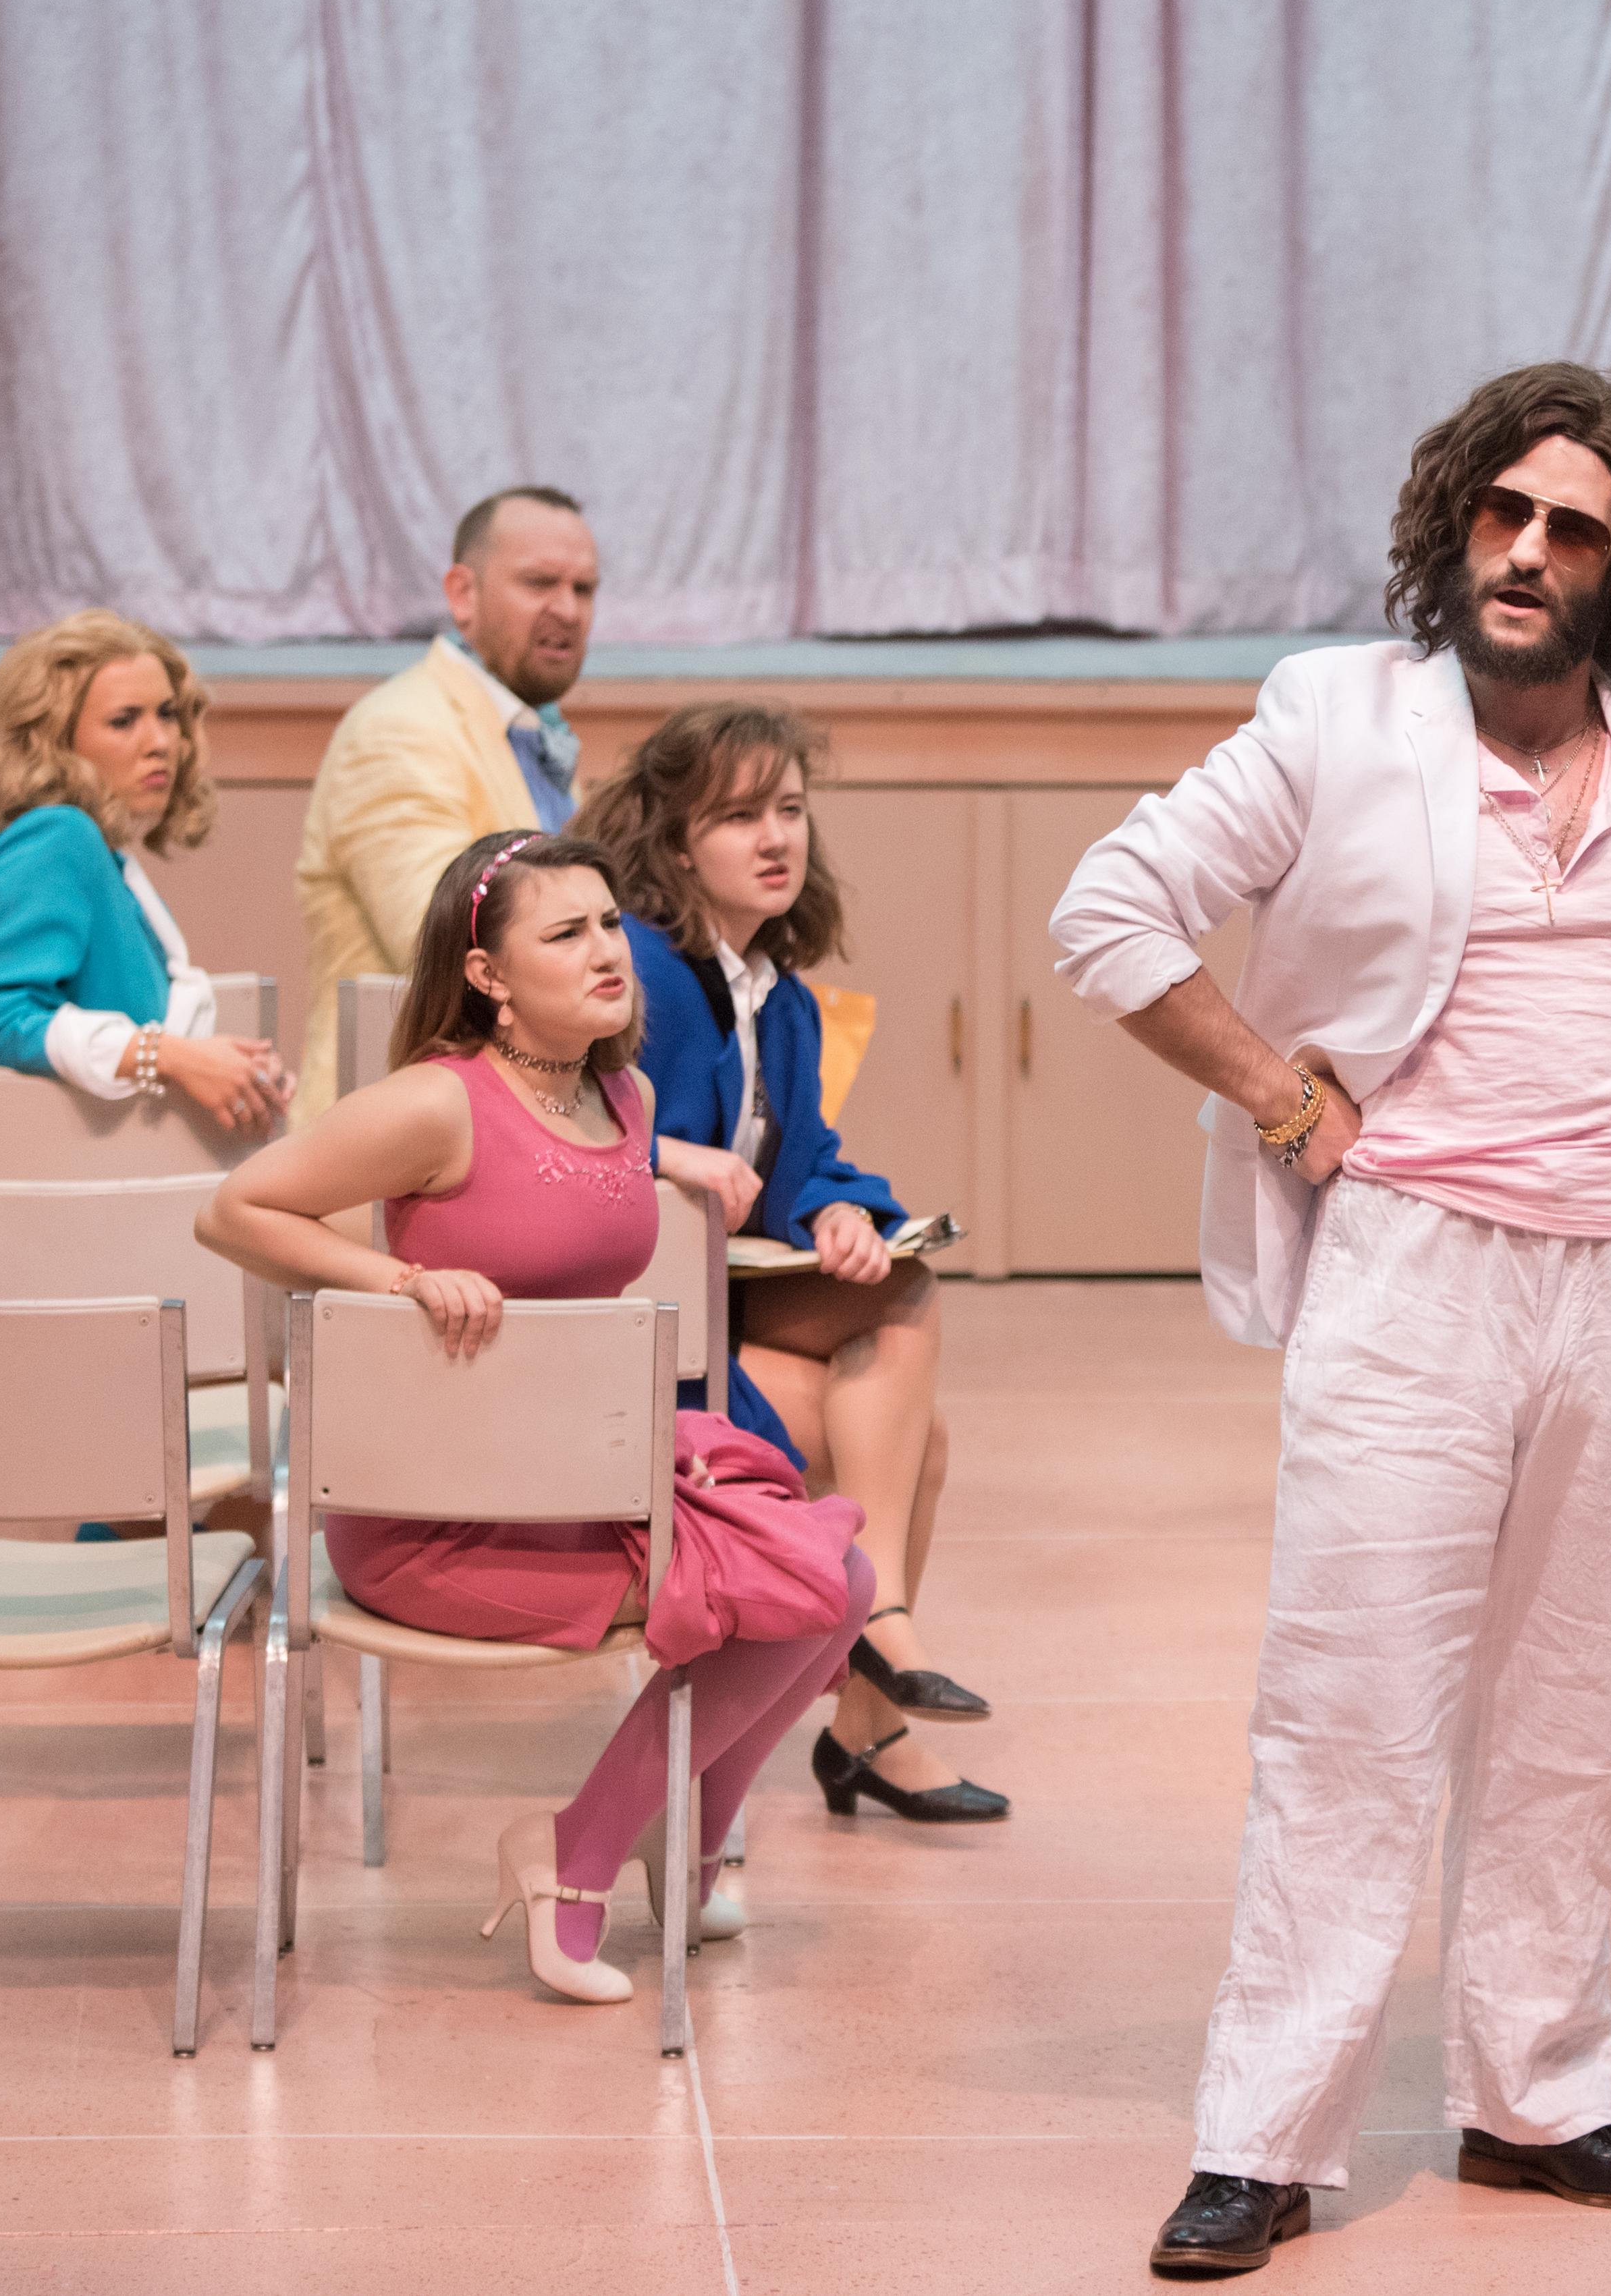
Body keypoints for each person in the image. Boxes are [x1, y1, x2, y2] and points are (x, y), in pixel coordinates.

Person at [1049, 362, 1611, 2275]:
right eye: (1503, 514)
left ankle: (1539, 2094)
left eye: (1572, 528)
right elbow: (1112, 913)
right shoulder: (1334, 715)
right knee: (1352, 1709)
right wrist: (1285, 1095)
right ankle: (1266, 2136)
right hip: (1413, 1265)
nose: (1525, 551)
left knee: (1578, 1713)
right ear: (1455, 525)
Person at [198, 830, 873, 2007]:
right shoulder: (432, 1104)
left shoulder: (627, 1091)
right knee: (775, 1597)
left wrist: (685, 1160)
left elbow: (574, 1170)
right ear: (489, 977)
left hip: (587, 1478)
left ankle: (684, 1837)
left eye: (611, 923)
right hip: (444, 1514)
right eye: (565, 933)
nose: (608, 950)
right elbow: (236, 1209)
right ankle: (573, 1856)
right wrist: (400, 1282)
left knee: (843, 1581)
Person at [578, 698, 1006, 1828]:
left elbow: (800, 1156)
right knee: (914, 1433)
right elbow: (569, 1117)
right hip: (637, 1334)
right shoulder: (651, 977)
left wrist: (840, 1214)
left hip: (729, 1298)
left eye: (790, 810)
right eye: (736, 817)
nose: (774, 839)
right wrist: (669, 1150)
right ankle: (879, 1677)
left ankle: (873, 1714)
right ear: (676, 845)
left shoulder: (785, 997)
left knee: (899, 1294)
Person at [0, 609, 290, 1181]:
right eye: (124, 721)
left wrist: (234, 1074)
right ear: (56, 741)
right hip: (21, 1217)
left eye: (168, 715)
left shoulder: (99, 856)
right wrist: (171, 1056)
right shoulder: (58, 837)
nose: (161, 741)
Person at [293, 486, 602, 1113]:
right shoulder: (401, 728)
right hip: (387, 1149)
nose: (567, 609)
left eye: (584, 589)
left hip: (501, 1121)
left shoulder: (537, 736)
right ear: (462, 594)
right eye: (540, 582)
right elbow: (449, 945)